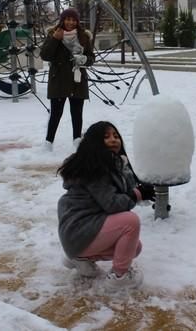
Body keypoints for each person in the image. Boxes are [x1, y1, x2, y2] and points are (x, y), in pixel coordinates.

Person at [57, 121, 155, 290]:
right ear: (93, 142)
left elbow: (126, 189)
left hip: (82, 232)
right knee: (130, 222)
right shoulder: (95, 170)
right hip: (80, 230)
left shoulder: (110, 164)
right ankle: (119, 278)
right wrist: (137, 195)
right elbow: (112, 203)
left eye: (116, 136)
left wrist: (125, 170)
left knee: (134, 248)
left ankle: (81, 260)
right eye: (106, 137)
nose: (113, 140)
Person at [40, 8, 95, 150]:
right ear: (62, 20)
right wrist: (55, 40)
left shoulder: (84, 36)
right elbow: (45, 55)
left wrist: (84, 59)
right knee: (56, 113)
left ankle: (77, 141)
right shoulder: (54, 34)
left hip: (77, 80)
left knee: (77, 113)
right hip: (58, 79)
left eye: (73, 20)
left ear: (77, 21)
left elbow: (91, 58)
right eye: (67, 19)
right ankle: (48, 142)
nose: (70, 22)